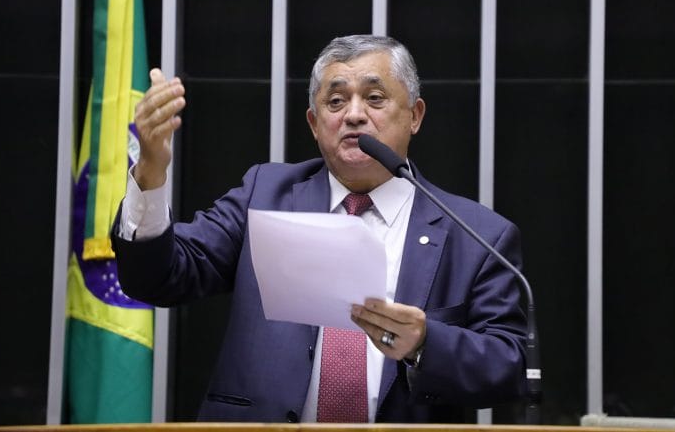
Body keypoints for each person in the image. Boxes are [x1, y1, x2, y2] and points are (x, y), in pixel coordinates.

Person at [112, 35, 527, 423]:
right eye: (336, 101)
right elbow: (159, 276)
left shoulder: (475, 234)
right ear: (313, 123)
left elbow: (510, 366)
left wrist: (424, 343)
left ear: (415, 115)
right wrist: (150, 170)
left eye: (375, 98)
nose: (354, 115)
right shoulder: (264, 193)